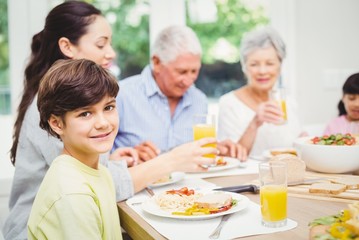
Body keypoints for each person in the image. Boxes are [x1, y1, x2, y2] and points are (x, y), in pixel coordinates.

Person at [4, 3, 217, 239]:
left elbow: (90, 170)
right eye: (100, 44)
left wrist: (114, 159)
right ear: (67, 46)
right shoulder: (53, 106)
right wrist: (172, 160)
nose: (111, 52)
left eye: (108, 108)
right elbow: (92, 184)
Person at [113, 25, 247, 162]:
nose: (189, 81)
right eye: (181, 72)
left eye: (194, 71)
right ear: (157, 62)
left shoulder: (198, 99)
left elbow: (197, 153)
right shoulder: (121, 95)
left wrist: (218, 150)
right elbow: (99, 157)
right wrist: (129, 156)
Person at [28, 59, 124, 239]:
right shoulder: (73, 193)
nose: (103, 123)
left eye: (108, 107)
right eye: (85, 113)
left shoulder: (100, 172)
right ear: (57, 123)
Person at [218, 26, 303, 156]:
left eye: (269, 63)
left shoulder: (289, 102)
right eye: (254, 64)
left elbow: (298, 144)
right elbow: (230, 157)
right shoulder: (229, 103)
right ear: (244, 67)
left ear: (280, 66)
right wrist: (255, 123)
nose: (262, 71)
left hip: (287, 175)